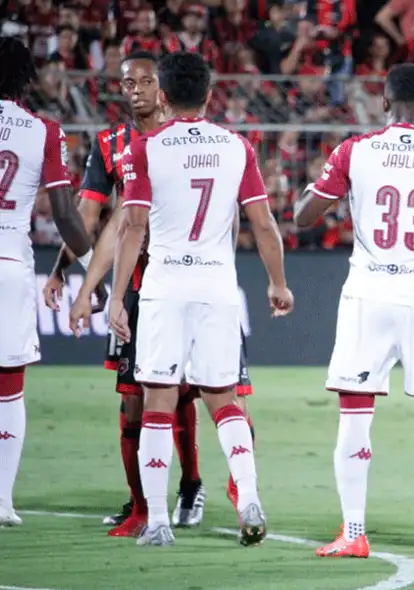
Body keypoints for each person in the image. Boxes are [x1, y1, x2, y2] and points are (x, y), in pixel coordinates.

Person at [294, 63, 414, 561]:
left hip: (370, 294)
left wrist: (326, 190)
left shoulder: (354, 150)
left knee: (356, 415)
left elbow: (303, 217)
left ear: (383, 102)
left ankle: (354, 532)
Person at [104, 51, 293, 547]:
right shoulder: (237, 148)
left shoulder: (146, 148)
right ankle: (248, 496)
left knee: (159, 403)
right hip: (216, 284)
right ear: (209, 95)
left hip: (166, 285)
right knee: (224, 400)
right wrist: (277, 282)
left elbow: (133, 227)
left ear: (162, 95)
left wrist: (118, 296)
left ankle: (160, 522)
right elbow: (263, 223)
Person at [0, 37, 94, 526]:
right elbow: (63, 213)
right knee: (9, 388)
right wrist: (92, 266)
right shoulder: (42, 131)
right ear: (27, 81)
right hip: (9, 262)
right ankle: (3, 501)